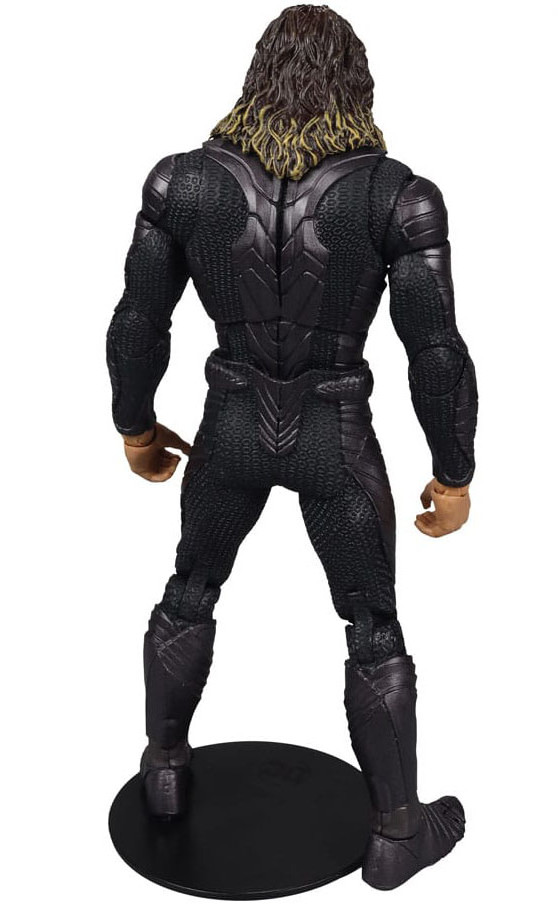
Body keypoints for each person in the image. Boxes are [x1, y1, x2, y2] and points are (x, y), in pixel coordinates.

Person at [106, 4, 477, 891]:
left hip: (232, 425)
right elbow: (435, 350)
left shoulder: (181, 185)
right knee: (372, 624)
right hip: (331, 433)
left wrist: (134, 423)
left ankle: (165, 768)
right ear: (358, 83)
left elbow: (139, 317)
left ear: (256, 76)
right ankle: (396, 831)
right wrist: (454, 471)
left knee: (189, 589)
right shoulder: (398, 196)